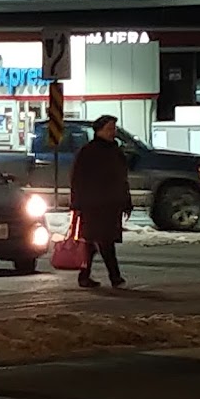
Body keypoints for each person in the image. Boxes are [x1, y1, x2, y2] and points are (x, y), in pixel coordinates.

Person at [69, 114, 131, 289]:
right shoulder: (88, 152)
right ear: (99, 130)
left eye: (114, 128)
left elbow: (122, 179)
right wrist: (77, 204)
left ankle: (85, 275)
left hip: (112, 203)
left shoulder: (115, 151)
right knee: (104, 241)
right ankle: (115, 277)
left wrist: (126, 201)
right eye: (110, 128)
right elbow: (78, 179)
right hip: (94, 204)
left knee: (94, 241)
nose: (113, 132)